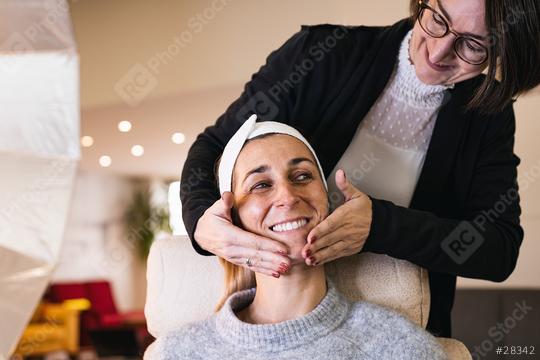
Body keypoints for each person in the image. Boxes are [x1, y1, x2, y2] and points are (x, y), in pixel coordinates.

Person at [180, 0, 540, 337]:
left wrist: (380, 226)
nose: (439, 51)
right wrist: (200, 222)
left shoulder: (487, 115)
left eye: (473, 45)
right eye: (438, 20)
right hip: (290, 317)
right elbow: (214, 147)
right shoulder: (323, 54)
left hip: (404, 328)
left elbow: (498, 250)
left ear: (500, 52)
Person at [147, 118, 448, 359]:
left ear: (327, 200)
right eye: (261, 184)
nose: (288, 197)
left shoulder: (398, 347)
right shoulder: (178, 352)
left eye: (303, 176)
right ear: (232, 220)